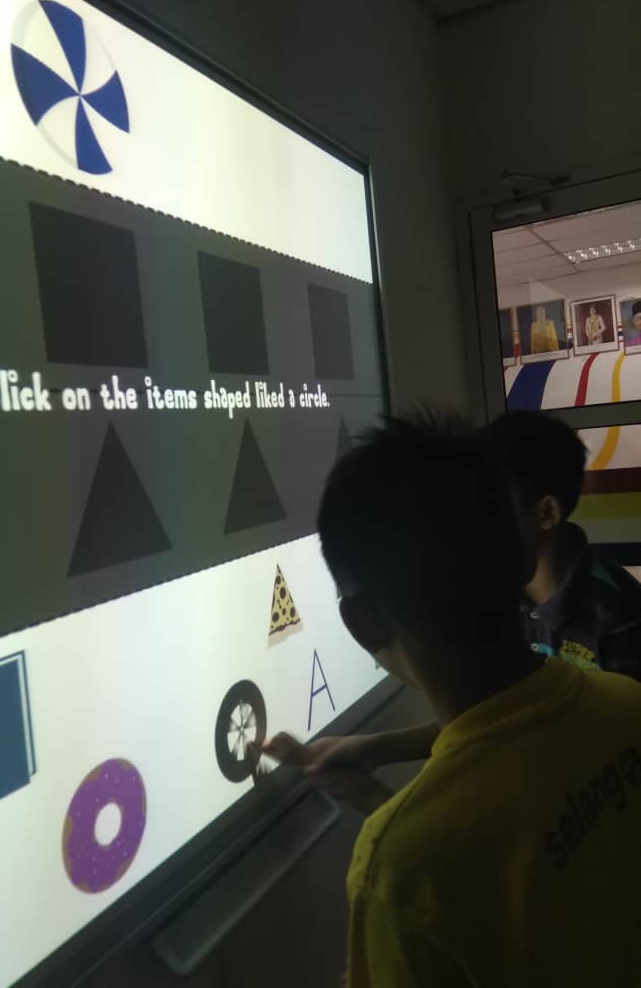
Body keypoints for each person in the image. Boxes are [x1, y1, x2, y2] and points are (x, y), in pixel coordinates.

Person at [269, 412, 641, 987]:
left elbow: (470, 860)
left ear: (363, 623)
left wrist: (388, 818)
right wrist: (378, 762)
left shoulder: (397, 872)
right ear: (521, 560)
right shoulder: (624, 703)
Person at [266, 410, 641, 782]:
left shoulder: (618, 614)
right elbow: (489, 716)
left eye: (492, 504)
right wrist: (375, 748)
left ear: (546, 513)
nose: (472, 517)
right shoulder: (495, 592)